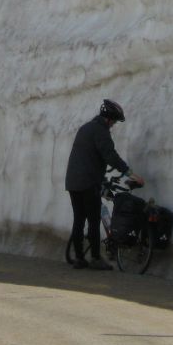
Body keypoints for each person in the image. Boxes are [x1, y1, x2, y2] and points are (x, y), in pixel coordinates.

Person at [65, 99, 145, 270]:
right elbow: (110, 156)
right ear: (109, 119)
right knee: (93, 220)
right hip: (88, 182)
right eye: (114, 121)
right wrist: (131, 174)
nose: (113, 125)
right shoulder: (101, 131)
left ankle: (79, 258)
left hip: (72, 181)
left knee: (79, 219)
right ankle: (95, 258)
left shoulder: (85, 128)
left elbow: (88, 156)